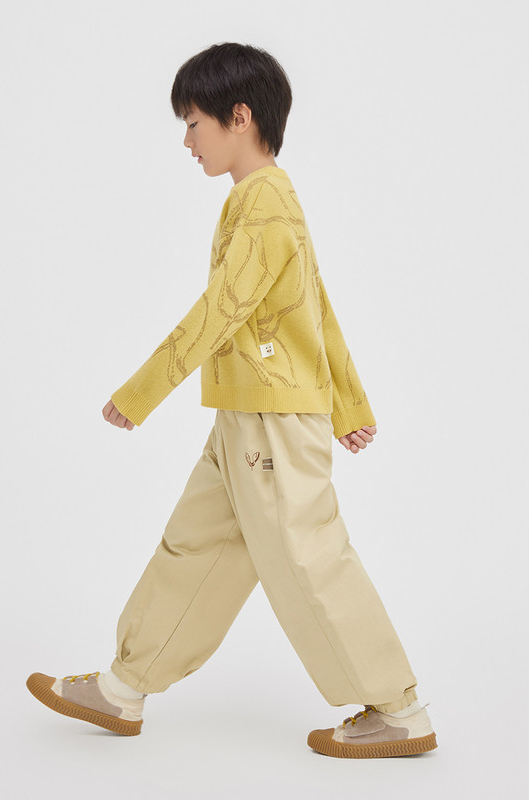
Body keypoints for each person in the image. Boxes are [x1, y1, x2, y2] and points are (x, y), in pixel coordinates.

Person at [26, 41, 437, 759]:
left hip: (272, 420)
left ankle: (399, 710)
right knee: (196, 546)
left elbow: (222, 310)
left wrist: (141, 392)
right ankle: (123, 687)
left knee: (309, 556)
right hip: (249, 417)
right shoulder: (262, 200)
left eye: (194, 123)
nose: (188, 141)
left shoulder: (265, 204)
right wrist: (348, 404)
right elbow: (317, 306)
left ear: (238, 117)